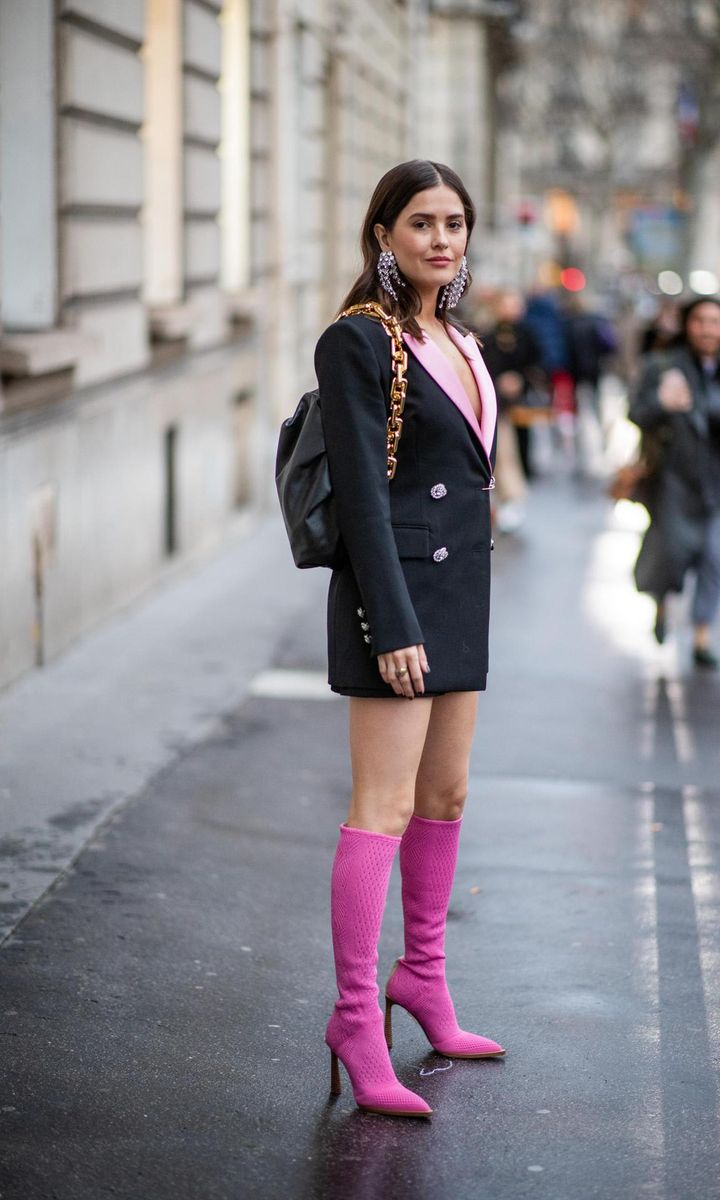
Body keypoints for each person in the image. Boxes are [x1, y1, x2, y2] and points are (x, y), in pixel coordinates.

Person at [314, 160, 505, 1119]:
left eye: (456, 223)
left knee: (447, 791)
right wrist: (387, 622)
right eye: (422, 222)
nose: (442, 239)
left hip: (461, 592)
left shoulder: (461, 341)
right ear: (383, 232)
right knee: (381, 806)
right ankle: (355, 1016)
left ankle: (421, 978)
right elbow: (358, 494)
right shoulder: (357, 343)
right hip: (397, 599)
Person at [629, 296, 720, 667]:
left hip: (716, 483)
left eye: (715, 322)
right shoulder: (662, 364)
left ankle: (702, 635)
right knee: (671, 555)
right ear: (687, 325)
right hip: (673, 480)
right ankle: (662, 603)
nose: (708, 329)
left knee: (715, 558)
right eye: (701, 321)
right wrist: (664, 403)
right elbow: (635, 412)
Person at [481, 290, 544, 530]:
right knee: (504, 452)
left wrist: (521, 381)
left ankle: (514, 498)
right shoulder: (489, 334)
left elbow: (536, 365)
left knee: (522, 447)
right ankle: (507, 498)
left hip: (522, 404)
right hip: (499, 405)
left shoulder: (528, 334)